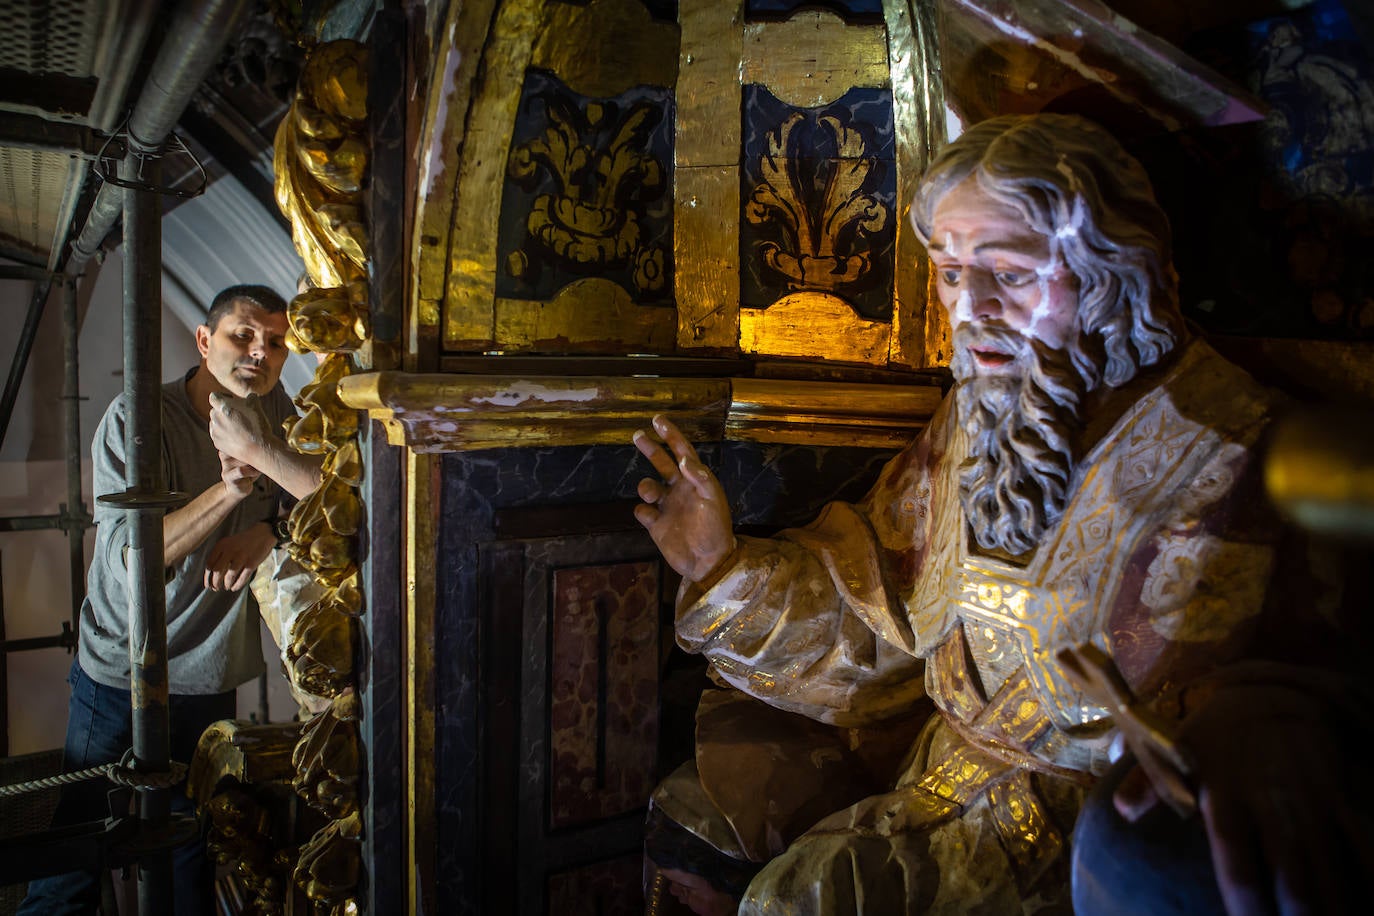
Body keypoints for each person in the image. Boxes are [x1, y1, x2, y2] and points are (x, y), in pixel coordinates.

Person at [632, 113, 1357, 914]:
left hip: (1092, 851)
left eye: (1007, 274)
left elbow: (1315, 694)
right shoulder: (979, 419)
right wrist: (721, 566)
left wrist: (1256, 725)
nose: (969, 307)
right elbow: (882, 614)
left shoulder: (1240, 450)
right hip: (934, 794)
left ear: (1111, 272)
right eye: (948, 271)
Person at [20, 284, 321, 915]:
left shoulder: (279, 412)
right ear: (205, 341)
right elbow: (137, 558)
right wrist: (234, 487)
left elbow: (321, 504)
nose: (260, 354)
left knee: (191, 842)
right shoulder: (138, 421)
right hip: (123, 669)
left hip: (208, 673)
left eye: (275, 342)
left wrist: (268, 532)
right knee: (83, 837)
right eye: (243, 335)